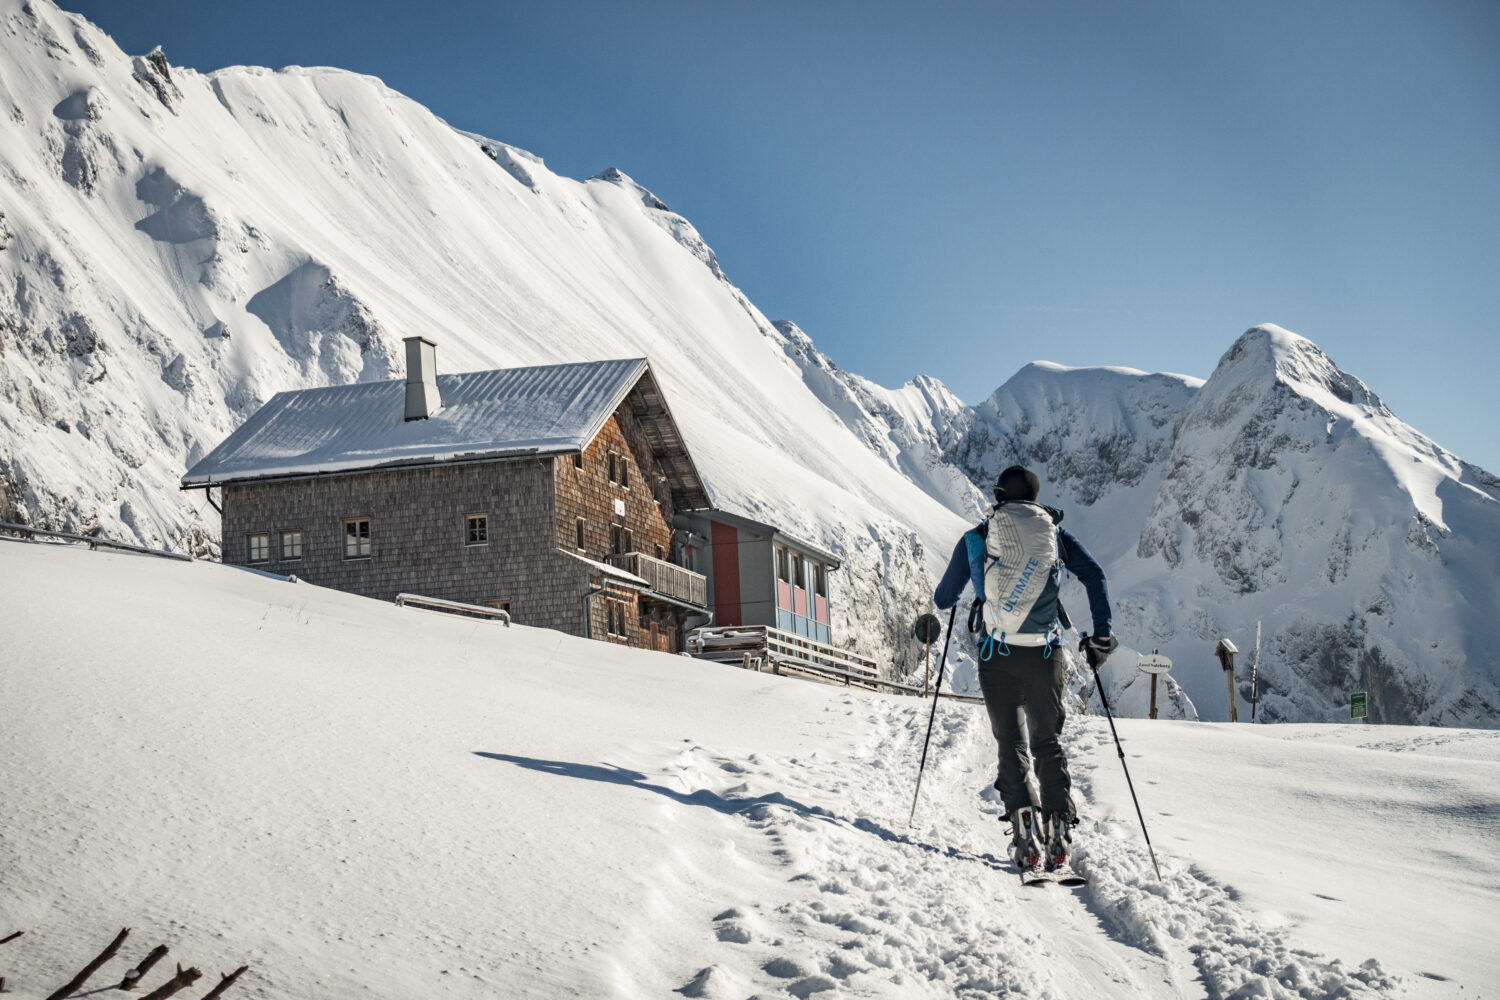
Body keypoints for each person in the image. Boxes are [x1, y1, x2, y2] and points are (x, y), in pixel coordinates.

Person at [932, 465, 1117, 873]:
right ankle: (1057, 829)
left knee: (1010, 743)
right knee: (1047, 742)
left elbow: (944, 599)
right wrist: (1100, 636)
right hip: (1045, 655)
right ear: (1035, 499)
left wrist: (973, 583)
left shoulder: (977, 537)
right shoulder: (1053, 534)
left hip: (997, 656)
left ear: (997, 497)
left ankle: (1023, 828)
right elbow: (1095, 576)